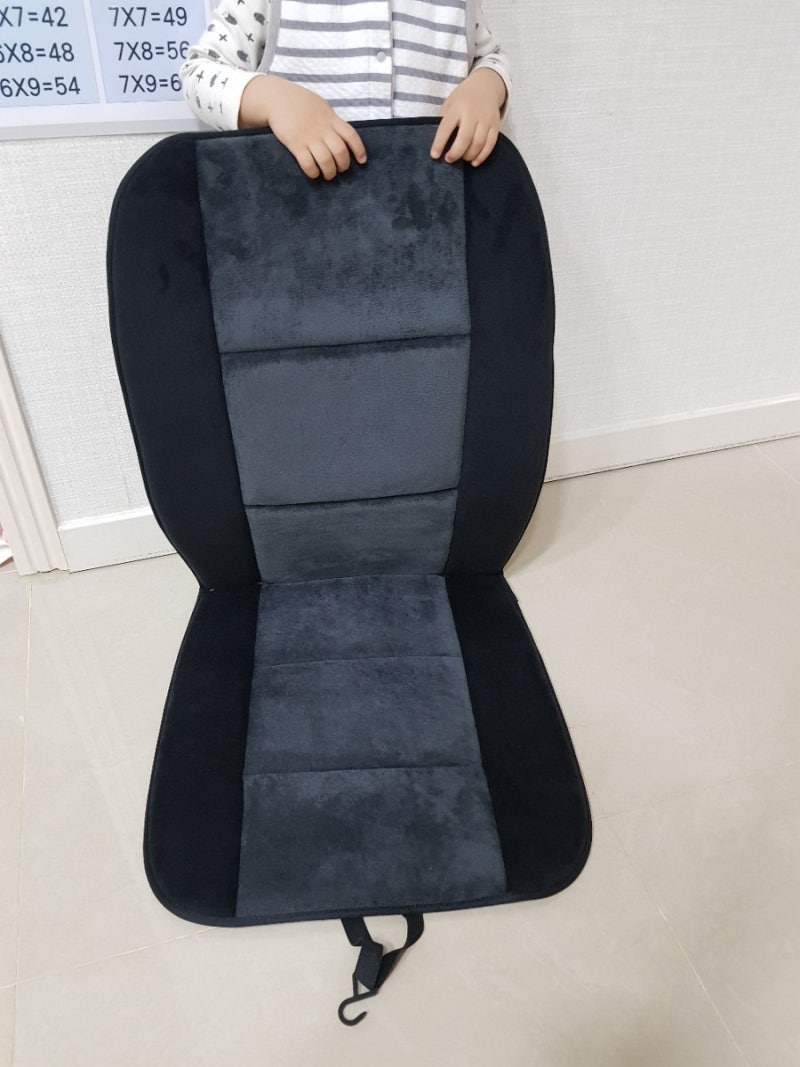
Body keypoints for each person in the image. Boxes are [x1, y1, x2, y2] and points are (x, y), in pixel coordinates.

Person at [180, 0, 512, 180]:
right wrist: (274, 101)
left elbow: (488, 55)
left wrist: (486, 86)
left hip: (433, 219)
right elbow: (199, 73)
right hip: (297, 230)